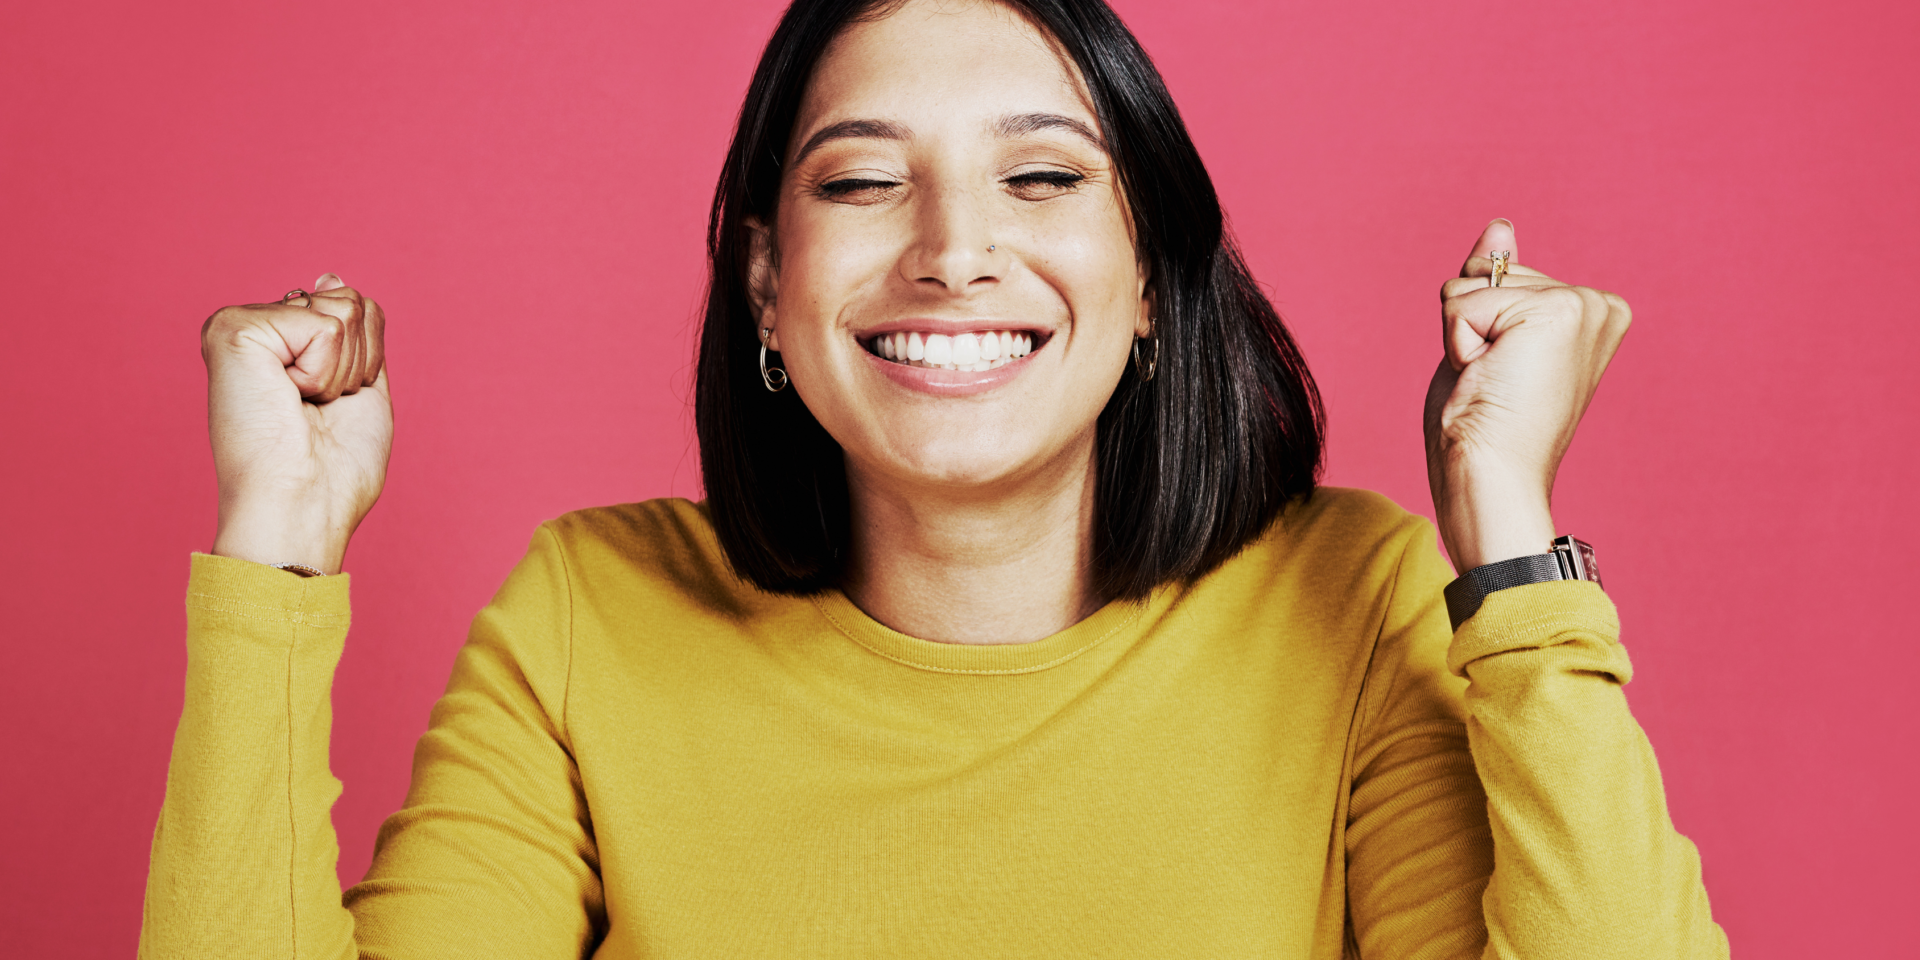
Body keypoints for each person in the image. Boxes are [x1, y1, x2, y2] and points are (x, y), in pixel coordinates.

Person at [140, 0, 1728, 956]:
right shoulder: (591, 616)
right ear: (769, 283)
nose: (954, 250)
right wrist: (274, 556)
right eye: (862, 180)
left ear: (1158, 274)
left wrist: (1507, 539)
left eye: (1043, 175)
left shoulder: (1349, 602)